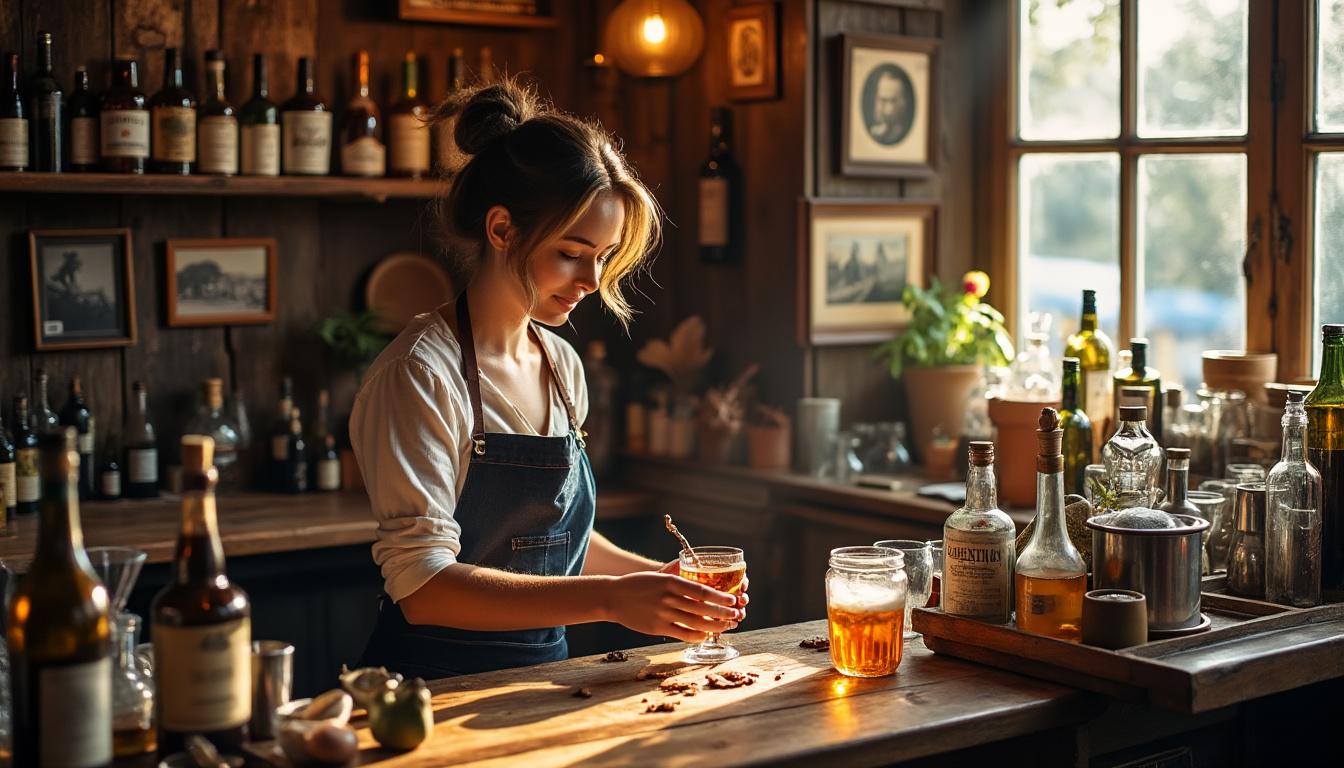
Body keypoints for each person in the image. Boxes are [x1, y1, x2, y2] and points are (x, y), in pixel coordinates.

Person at [351, 79, 749, 680]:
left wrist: (657, 583)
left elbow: (552, 546)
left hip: (541, 680)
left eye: (604, 254)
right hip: (430, 692)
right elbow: (424, 586)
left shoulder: (562, 366)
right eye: (571, 251)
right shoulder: (420, 377)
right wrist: (613, 600)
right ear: (502, 229)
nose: (591, 278)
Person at [867, 67, 910, 145]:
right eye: (880, 99)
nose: (881, 106)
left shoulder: (899, 134)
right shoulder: (874, 132)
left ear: (902, 104)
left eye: (891, 101)